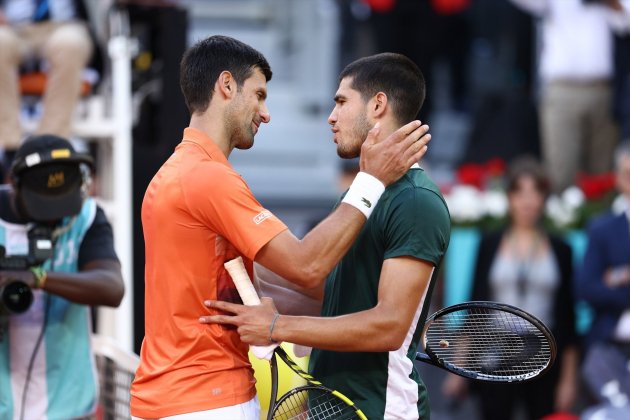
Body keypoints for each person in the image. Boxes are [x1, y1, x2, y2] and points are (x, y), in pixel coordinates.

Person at [129, 36, 431, 419]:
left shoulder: (173, 174)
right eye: (258, 95)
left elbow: (261, 284)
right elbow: (306, 266)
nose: (266, 113)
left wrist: (288, 321)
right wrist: (370, 181)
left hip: (167, 397)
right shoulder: (208, 178)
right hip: (207, 398)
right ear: (226, 85)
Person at [201, 52, 451, 419]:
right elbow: (337, 300)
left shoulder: (416, 201)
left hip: (380, 411)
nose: (331, 117)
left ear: (378, 105)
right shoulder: (359, 196)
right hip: (333, 407)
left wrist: (277, 326)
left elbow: (389, 326)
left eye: (342, 102)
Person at [442, 156, 579, 419]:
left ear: (544, 198)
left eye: (535, 192)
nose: (527, 201)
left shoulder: (561, 249)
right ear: (509, 198)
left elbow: (568, 317)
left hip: (544, 353)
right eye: (520, 193)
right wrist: (459, 368)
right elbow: (475, 307)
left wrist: (569, 379)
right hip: (495, 351)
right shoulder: (490, 243)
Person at [0, 134, 124, 419]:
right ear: (15, 185)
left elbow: (112, 287)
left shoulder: (86, 216)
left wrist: (38, 278)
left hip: (70, 406)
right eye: (43, 207)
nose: (53, 218)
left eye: (61, 206)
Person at [508, 0, 630, 192]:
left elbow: (625, 21)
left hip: (605, 89)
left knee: (603, 176)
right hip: (562, 89)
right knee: (561, 173)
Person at [0, 0, 95, 156]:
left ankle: (49, 146)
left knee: (70, 43)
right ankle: (10, 148)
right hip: (14, 28)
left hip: (64, 25)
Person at [576, 141, 630, 409]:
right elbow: (586, 288)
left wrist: (616, 278)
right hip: (610, 347)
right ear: (618, 179)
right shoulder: (602, 229)